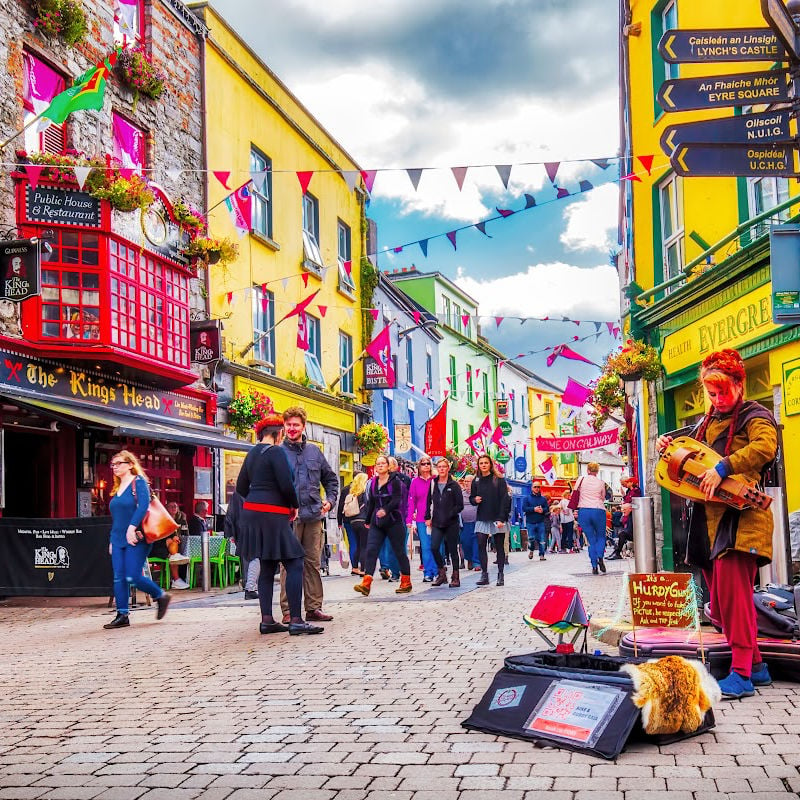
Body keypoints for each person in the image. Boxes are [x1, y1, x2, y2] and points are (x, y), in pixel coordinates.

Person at [656, 348, 777, 700]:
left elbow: (765, 446)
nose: (718, 398)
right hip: (706, 524)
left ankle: (741, 674)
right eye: (711, 392)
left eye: (723, 391)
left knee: (734, 599)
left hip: (743, 519)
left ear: (740, 383)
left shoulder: (756, 415)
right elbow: (688, 450)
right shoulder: (706, 421)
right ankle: (756, 665)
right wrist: (669, 446)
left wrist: (723, 467)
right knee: (720, 606)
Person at [236, 414, 323, 636]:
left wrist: (257, 499)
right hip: (272, 514)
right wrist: (293, 505)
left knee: (267, 564)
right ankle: (295, 619)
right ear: (278, 433)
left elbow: (241, 487)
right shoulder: (276, 451)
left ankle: (267, 620)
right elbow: (286, 484)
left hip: (252, 514)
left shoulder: (252, 453)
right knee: (295, 561)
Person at [280, 406, 338, 624]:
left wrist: (330, 501)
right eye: (288, 425)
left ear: (303, 426)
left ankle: (313, 608)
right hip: (288, 518)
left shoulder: (314, 452)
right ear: (284, 427)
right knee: (288, 564)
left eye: (296, 425)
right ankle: (288, 610)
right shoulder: (278, 452)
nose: (292, 429)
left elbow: (331, 480)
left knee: (312, 563)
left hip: (313, 515)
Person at [104, 450, 171, 629]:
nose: (115, 467)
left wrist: (132, 528)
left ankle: (160, 595)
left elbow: (143, 506)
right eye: (113, 464)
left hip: (137, 536)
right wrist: (112, 539)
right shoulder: (117, 487)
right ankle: (122, 614)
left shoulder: (139, 482)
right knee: (119, 577)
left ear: (130, 464)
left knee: (132, 575)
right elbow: (117, 517)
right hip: (118, 538)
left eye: (119, 463)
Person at [353, 455, 412, 596]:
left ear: (388, 466)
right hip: (377, 522)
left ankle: (406, 581)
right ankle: (366, 583)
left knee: (399, 551)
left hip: (393, 521)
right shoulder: (373, 482)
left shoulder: (395, 481)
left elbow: (397, 499)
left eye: (382, 464)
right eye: (377, 464)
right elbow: (371, 503)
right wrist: (368, 520)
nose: (380, 466)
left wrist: (385, 510)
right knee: (371, 550)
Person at [470, 454, 511, 587]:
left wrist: (501, 518)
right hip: (482, 516)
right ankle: (484, 574)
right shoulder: (476, 480)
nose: (483, 465)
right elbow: (472, 497)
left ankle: (500, 574)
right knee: (481, 543)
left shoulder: (498, 480)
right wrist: (474, 500)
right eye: (481, 463)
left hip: (497, 517)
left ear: (490, 464)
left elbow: (505, 500)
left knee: (499, 546)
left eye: (486, 463)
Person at [425, 457, 464, 587]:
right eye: (439, 467)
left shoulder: (454, 485)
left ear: (448, 468)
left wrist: (450, 513)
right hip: (437, 521)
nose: (441, 469)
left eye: (444, 467)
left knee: (453, 549)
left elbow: (460, 505)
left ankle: (456, 576)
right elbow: (428, 501)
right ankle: (442, 573)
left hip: (451, 522)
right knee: (434, 547)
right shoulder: (433, 483)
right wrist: (427, 517)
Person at [224, 491, 260, 599]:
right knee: (256, 557)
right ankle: (250, 587)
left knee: (248, 558)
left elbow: (230, 514)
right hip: (253, 529)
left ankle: (248, 585)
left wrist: (230, 534)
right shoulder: (258, 490)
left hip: (242, 530)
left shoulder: (238, 493)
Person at [576, 462, 609, 574]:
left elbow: (574, 494)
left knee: (591, 539)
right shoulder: (601, 483)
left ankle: (594, 566)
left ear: (587, 470)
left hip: (584, 510)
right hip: (598, 509)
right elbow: (603, 497)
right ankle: (600, 556)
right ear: (597, 471)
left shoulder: (580, 480)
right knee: (601, 536)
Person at [407, 456, 436, 582]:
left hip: (436, 517)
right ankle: (428, 572)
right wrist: (409, 519)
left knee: (436, 545)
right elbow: (411, 501)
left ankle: (437, 570)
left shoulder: (435, 480)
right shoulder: (415, 482)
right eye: (423, 463)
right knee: (425, 546)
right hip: (421, 518)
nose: (425, 465)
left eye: (428, 463)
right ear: (419, 466)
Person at [150, 501, 190, 590]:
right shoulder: (161, 520)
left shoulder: (180, 519)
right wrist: (172, 537)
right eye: (171, 506)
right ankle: (176, 579)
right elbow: (159, 536)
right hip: (156, 547)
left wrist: (175, 537)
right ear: (165, 509)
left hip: (169, 547)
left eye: (175, 506)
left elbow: (186, 533)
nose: (174, 508)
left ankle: (177, 579)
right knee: (172, 553)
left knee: (175, 550)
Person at [338, 472, 369, 575]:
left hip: (350, 521)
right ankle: (363, 569)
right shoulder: (364, 491)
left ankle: (354, 567)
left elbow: (340, 506)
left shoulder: (347, 490)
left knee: (354, 544)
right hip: (363, 520)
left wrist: (339, 521)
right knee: (364, 545)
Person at [458, 474, 480, 572]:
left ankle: (476, 562)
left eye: (469, 481)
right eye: (465, 481)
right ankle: (469, 558)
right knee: (465, 542)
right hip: (464, 523)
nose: (466, 483)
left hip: (476, 522)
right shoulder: (461, 494)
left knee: (476, 542)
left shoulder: (477, 494)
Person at [522, 481, 548, 561]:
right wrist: (534, 509)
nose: (537, 488)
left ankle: (542, 555)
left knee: (542, 539)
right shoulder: (527, 498)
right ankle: (531, 550)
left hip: (540, 522)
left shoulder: (543, 499)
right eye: (535, 487)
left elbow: (547, 509)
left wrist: (542, 510)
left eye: (538, 487)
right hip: (530, 522)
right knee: (531, 539)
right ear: (532, 488)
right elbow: (524, 508)